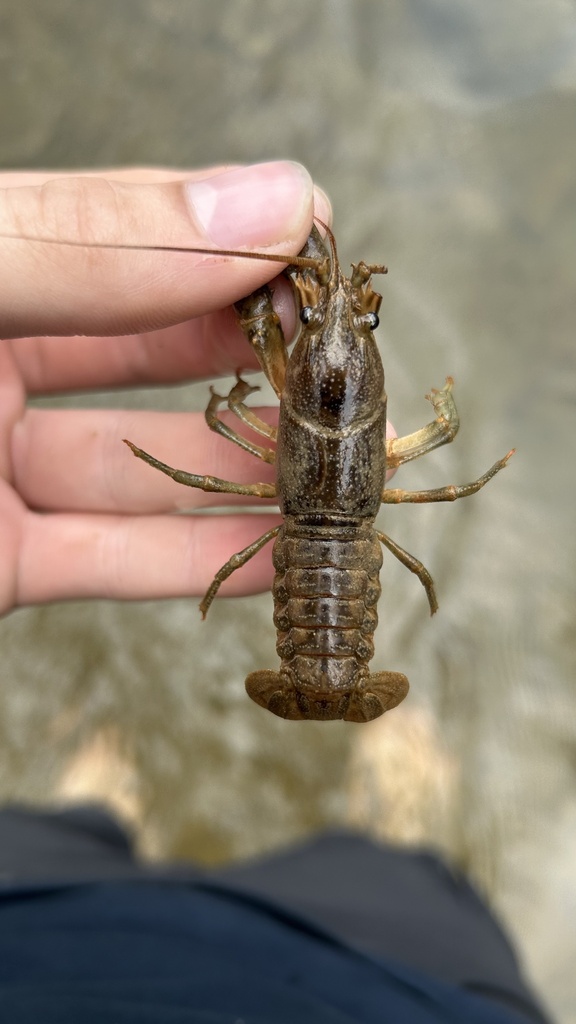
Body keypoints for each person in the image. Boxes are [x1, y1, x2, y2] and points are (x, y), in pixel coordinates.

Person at [0, 163, 550, 1023]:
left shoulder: (278, 407)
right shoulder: (383, 439)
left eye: (358, 318)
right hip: (404, 989)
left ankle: (92, 815)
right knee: (423, 900)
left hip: (33, 941)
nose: (347, 317)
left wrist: (248, 366)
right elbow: (444, 448)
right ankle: (392, 833)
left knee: (41, 849)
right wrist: (439, 408)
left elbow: (223, 421)